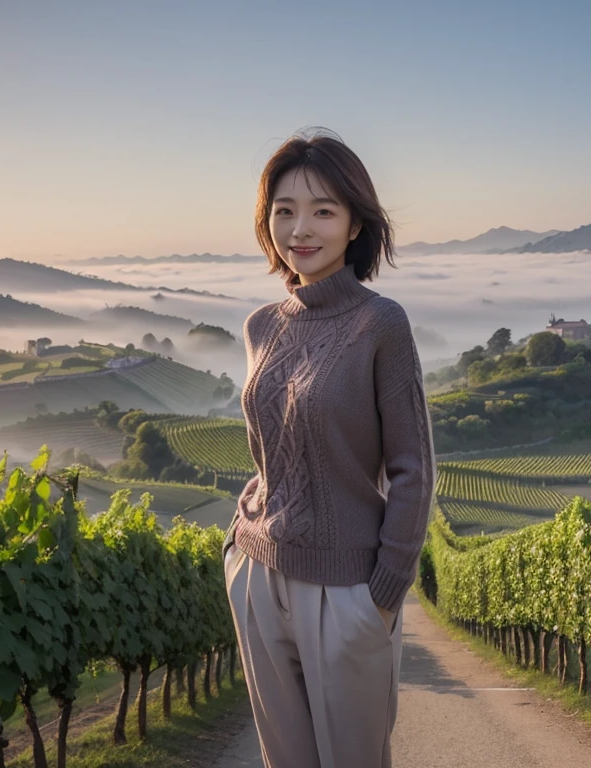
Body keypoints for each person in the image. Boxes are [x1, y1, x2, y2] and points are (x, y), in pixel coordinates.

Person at [222, 128, 437, 768]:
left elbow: (413, 469)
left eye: (322, 210)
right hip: (259, 574)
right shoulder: (261, 325)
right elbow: (273, 449)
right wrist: (240, 544)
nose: (300, 229)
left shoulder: (381, 324)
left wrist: (383, 593)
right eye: (283, 210)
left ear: (354, 223)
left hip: (347, 589)